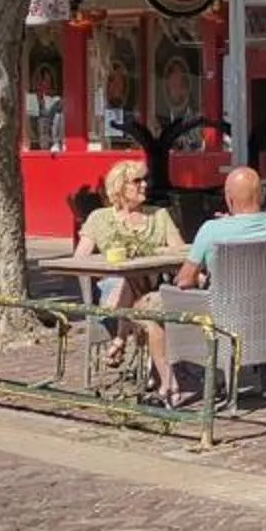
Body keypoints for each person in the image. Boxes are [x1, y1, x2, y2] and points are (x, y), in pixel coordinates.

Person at [77, 158, 182, 394]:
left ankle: (120, 339)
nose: (144, 185)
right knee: (126, 278)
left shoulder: (159, 216)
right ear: (120, 187)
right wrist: (108, 264)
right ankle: (164, 379)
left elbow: (179, 249)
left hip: (150, 293)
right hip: (111, 291)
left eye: (145, 180)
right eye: (137, 181)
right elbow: (79, 259)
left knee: (139, 293)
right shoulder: (100, 218)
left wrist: (151, 253)